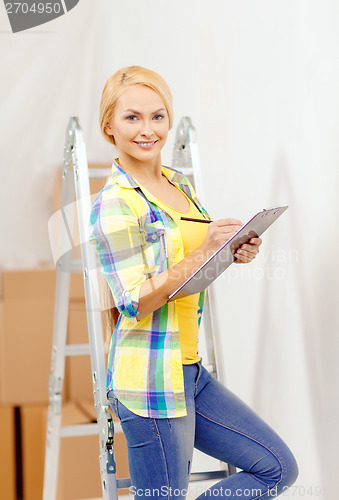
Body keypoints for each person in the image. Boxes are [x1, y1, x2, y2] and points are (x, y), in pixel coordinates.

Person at [89, 65, 298, 499]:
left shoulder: (178, 184)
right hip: (147, 380)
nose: (148, 130)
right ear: (108, 124)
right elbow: (132, 301)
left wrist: (230, 252)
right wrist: (203, 253)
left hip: (189, 371)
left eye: (158, 116)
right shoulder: (114, 204)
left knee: (276, 468)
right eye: (132, 117)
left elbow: (189, 269)